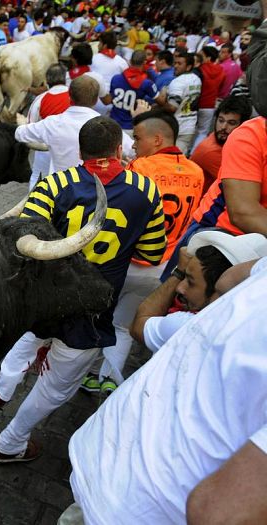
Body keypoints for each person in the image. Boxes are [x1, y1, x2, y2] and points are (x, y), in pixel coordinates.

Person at [0, 117, 165, 463]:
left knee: (33, 335)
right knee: (58, 385)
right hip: (92, 308)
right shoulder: (147, 191)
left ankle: (2, 388)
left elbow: (20, 240)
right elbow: (151, 253)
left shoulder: (55, 183)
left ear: (80, 151)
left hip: (44, 299)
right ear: (119, 149)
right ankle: (11, 442)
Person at [63, 255, 267, 525]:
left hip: (96, 459)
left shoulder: (191, 322)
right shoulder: (187, 322)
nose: (182, 290)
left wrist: (177, 272)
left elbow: (141, 323)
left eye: (191, 283)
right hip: (133, 501)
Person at [81, 109, 204, 394]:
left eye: (137, 138)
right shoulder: (197, 172)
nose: (133, 145)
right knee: (124, 326)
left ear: (158, 139)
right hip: (160, 266)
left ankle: (82, 373)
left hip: (125, 261)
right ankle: (107, 379)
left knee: (98, 318)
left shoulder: (141, 169)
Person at [130, 231, 267, 353]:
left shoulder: (186, 326)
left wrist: (178, 273)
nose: (180, 288)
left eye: (191, 282)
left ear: (219, 289)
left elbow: (138, 326)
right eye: (184, 278)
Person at [14, 75, 134, 175]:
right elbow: (133, 150)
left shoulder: (52, 123)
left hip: (60, 191)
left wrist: (21, 122)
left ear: (69, 97)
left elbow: (20, 134)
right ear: (96, 100)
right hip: (93, 192)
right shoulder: (108, 126)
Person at [21, 64, 70, 188]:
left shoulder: (40, 99)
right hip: (69, 148)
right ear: (64, 78)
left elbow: (30, 126)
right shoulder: (74, 96)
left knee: (37, 180)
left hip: (44, 147)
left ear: (47, 81)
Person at [191, 95, 252, 192]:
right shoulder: (210, 151)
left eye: (231, 123)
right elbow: (243, 187)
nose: (223, 127)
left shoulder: (225, 142)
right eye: (221, 120)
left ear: (243, 126)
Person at [153, 48, 201, 154]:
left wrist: (158, 103)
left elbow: (172, 107)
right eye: (175, 63)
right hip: (189, 126)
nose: (176, 66)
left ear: (188, 66)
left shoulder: (177, 82)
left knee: (167, 160)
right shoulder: (196, 79)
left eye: (180, 64)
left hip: (176, 127)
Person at [107, 50, 158, 134]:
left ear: (130, 61)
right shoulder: (146, 83)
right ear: (144, 62)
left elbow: (111, 98)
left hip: (112, 124)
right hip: (131, 127)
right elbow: (161, 101)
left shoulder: (115, 78)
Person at [191, 46, 225, 152]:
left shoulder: (199, 69)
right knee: (202, 132)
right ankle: (194, 153)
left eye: (202, 55)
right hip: (209, 105)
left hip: (195, 104)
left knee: (189, 130)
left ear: (208, 57)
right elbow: (221, 87)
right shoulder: (221, 70)